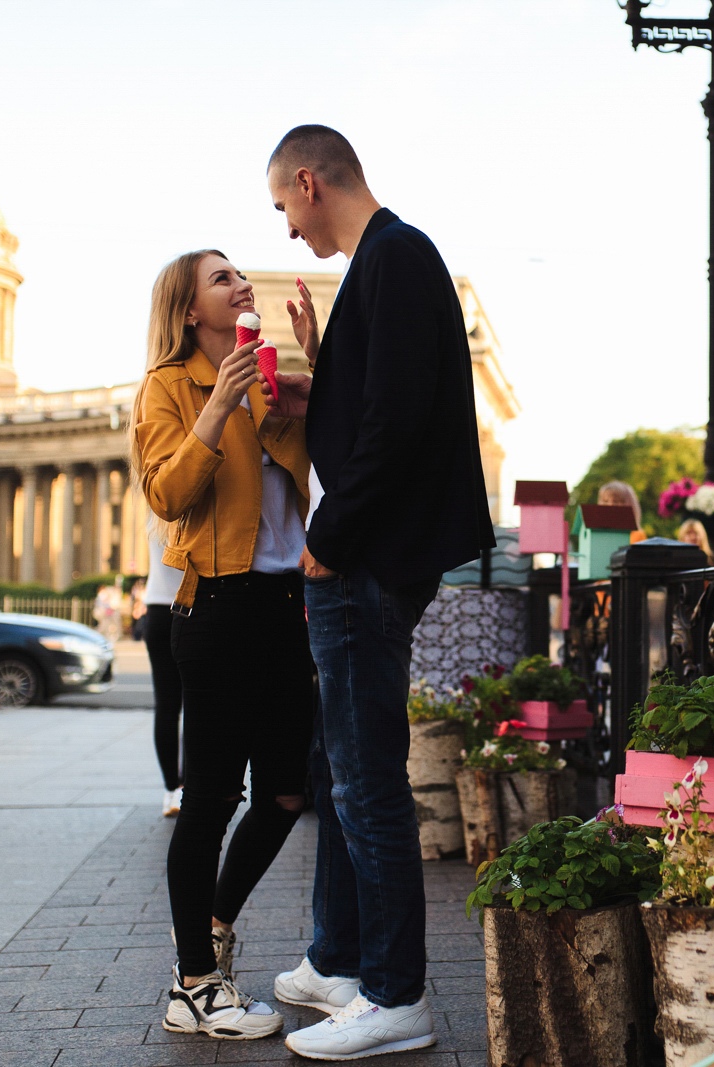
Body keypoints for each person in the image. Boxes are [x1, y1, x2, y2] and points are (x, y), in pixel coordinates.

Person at [264, 124, 494, 1060]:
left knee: (365, 782)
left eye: (283, 206)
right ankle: (337, 957)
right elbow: (374, 403)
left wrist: (327, 535)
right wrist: (325, 369)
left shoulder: (395, 255)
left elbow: (395, 420)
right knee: (339, 771)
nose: (285, 230)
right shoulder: (384, 263)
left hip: (362, 561)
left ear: (310, 182)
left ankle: (396, 996)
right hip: (364, 556)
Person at [132, 248, 317, 1041]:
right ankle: (195, 985)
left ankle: (207, 933)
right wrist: (220, 408)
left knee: (284, 792)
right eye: (222, 278)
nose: (242, 283)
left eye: (240, 273)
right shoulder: (169, 387)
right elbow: (167, 492)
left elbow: (319, 478)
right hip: (213, 608)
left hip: (284, 606)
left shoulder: (271, 379)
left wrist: (315, 376)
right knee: (210, 799)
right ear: (188, 311)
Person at [142, 518, 185, 818]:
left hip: (156, 608)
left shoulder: (155, 504)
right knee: (197, 705)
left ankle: (172, 789)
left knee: (167, 707)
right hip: (192, 605)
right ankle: (190, 788)